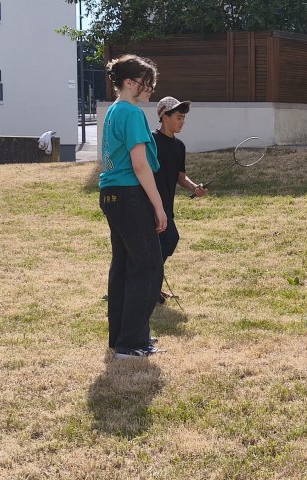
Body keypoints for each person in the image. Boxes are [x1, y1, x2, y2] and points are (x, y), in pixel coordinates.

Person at [99, 54, 167, 359]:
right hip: (129, 194)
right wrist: (159, 206)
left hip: (111, 194)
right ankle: (131, 343)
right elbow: (140, 166)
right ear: (130, 83)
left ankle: (121, 340)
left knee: (125, 266)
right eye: (146, 82)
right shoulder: (132, 113)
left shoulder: (114, 112)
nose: (150, 88)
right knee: (149, 265)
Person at [152, 96, 207, 303]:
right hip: (149, 204)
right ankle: (148, 288)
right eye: (178, 117)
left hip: (167, 205)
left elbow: (180, 177)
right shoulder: (151, 142)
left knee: (167, 242)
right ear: (164, 117)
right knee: (160, 243)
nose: (182, 122)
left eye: (183, 118)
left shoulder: (179, 146)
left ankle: (152, 286)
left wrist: (194, 187)